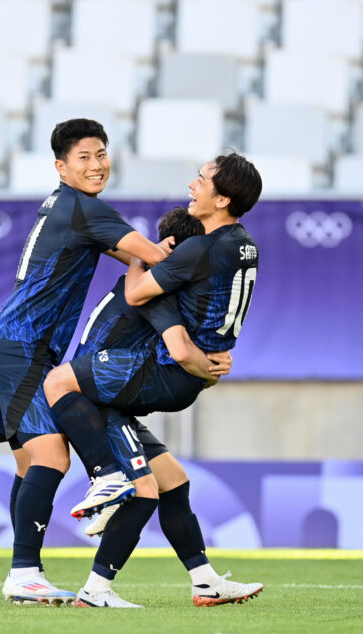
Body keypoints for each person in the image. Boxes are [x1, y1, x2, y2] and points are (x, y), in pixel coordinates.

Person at [44, 153, 265, 607]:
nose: (192, 185)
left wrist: (198, 361)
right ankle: (200, 582)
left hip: (150, 376)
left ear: (222, 198)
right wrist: (210, 366)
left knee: (56, 383)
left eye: (201, 181)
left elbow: (142, 298)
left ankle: (103, 482)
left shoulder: (189, 261)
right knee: (168, 483)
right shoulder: (243, 245)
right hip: (154, 380)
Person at [0, 118, 170, 605]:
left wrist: (145, 258)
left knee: (29, 463)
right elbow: (151, 259)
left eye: (101, 154)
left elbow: (130, 259)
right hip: (22, 351)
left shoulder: (65, 206)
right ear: (61, 167)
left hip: (15, 349)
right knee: (51, 457)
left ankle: (26, 570)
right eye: (83, 157)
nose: (97, 164)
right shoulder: (86, 208)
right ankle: (24, 572)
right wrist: (187, 249)